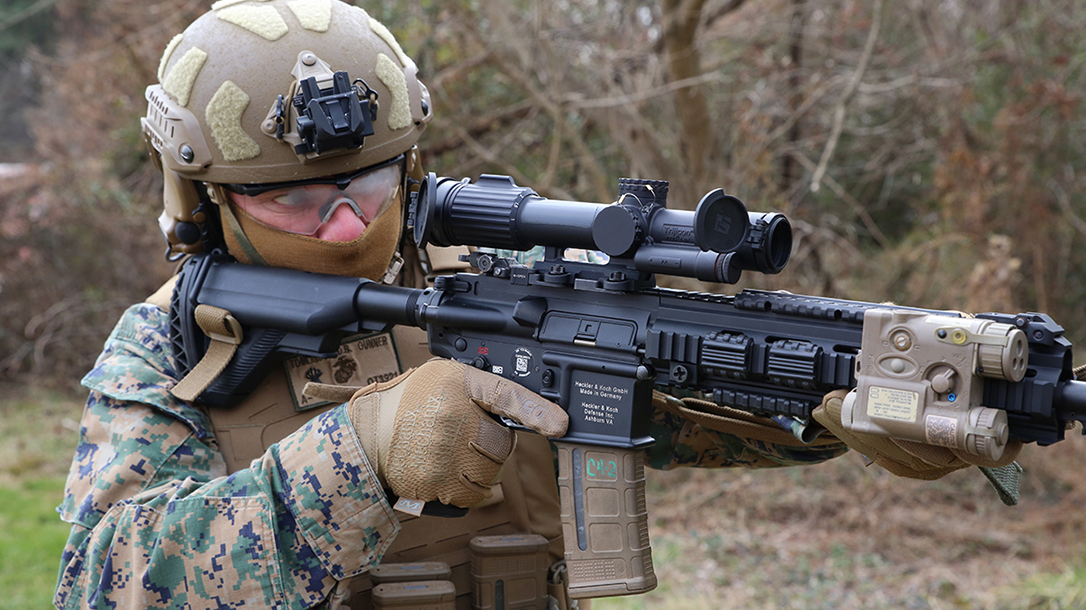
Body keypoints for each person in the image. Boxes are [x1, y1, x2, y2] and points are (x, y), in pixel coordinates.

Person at [54, 2, 1018, 609]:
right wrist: (359, 457)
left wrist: (838, 414)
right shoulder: (172, 341)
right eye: (298, 200)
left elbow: (674, 412)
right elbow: (104, 580)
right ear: (205, 197)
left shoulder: (498, 280)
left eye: (374, 186)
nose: (346, 228)